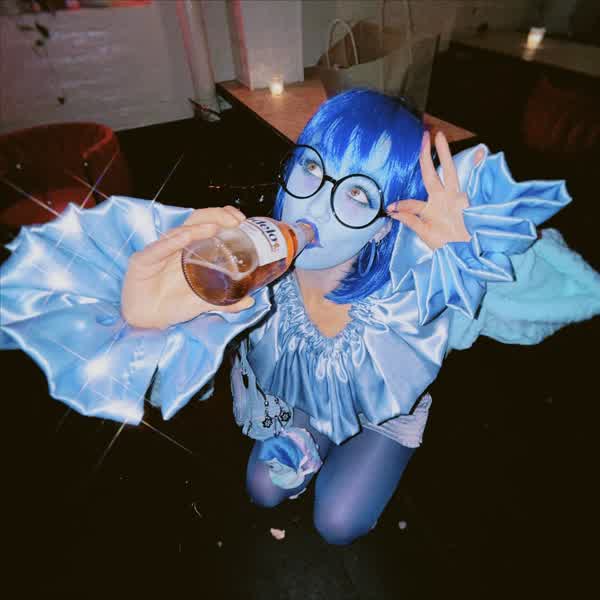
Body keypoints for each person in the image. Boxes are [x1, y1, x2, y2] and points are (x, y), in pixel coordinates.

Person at [1, 90, 598, 546]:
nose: (315, 202)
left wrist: (472, 250)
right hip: (297, 403)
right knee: (263, 489)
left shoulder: (415, 285)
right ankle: (309, 441)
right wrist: (135, 314)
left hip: (384, 416)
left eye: (359, 195)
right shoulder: (250, 264)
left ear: (389, 223)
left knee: (337, 523)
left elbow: (568, 296)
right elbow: (160, 352)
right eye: (312, 167)